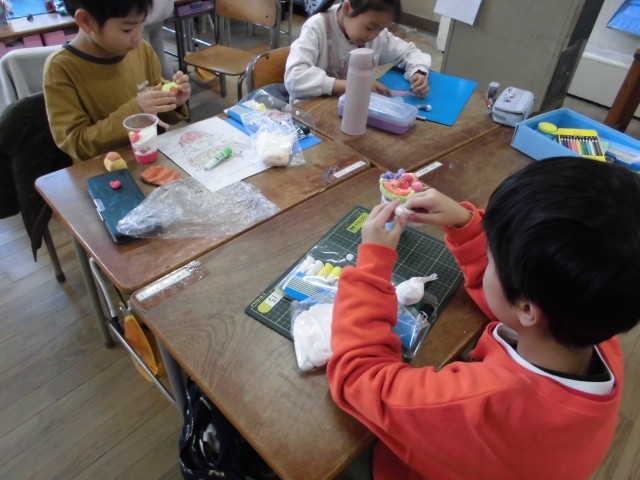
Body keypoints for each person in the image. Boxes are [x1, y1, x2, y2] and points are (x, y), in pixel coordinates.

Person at [327, 157, 640, 479]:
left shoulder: (475, 402)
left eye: (491, 259)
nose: (488, 259)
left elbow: (358, 376)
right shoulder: (596, 326)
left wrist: (372, 265)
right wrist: (467, 227)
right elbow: (522, 301)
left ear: (528, 308)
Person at [44, 0, 191, 162]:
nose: (137, 38)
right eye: (127, 29)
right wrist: (136, 111)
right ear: (86, 21)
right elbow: (76, 143)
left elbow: (157, 113)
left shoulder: (142, 49)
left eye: (142, 24)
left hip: (149, 155)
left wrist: (171, 101)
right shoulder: (60, 68)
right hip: (105, 167)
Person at [284, 0, 430, 103]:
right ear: (347, 9)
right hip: (311, 117)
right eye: (369, 28)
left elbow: (409, 52)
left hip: (350, 110)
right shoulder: (317, 27)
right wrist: (356, 85)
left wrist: (418, 72)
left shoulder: (377, 35)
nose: (373, 36)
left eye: (380, 29)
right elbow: (294, 79)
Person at [143, 0, 174, 80]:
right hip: (158, 15)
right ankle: (171, 84)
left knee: (146, 64)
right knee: (160, 60)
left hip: (143, 19)